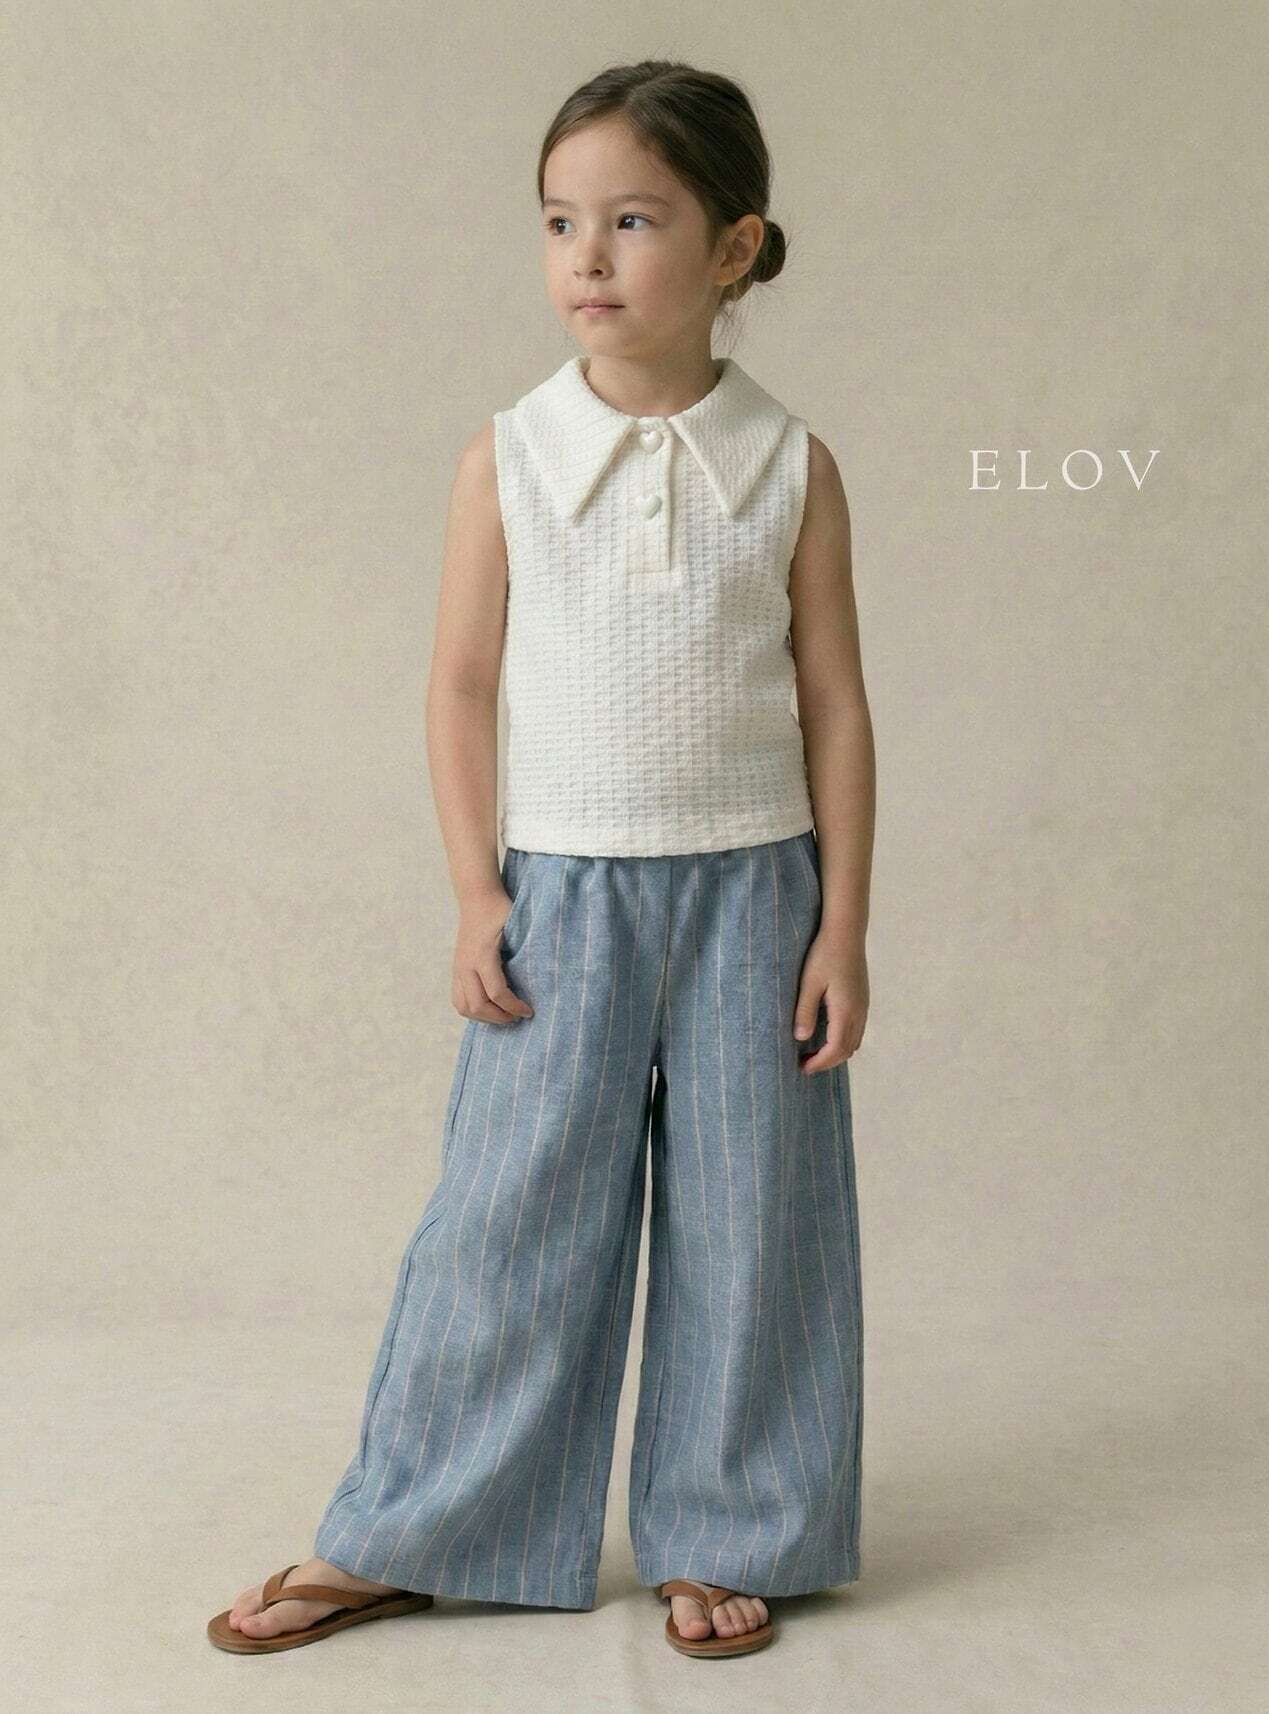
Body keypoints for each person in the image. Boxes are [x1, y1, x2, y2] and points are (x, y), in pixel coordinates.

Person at [208, 57, 874, 1662]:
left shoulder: (789, 465)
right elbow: (458, 684)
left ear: (732, 247)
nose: (587, 255)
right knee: (508, 1219)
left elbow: (837, 705)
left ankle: (731, 1529)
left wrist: (843, 926)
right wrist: (475, 890)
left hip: (755, 893)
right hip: (563, 895)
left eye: (633, 220)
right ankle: (416, 1524)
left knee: (754, 1222)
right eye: (561, 221)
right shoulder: (506, 456)